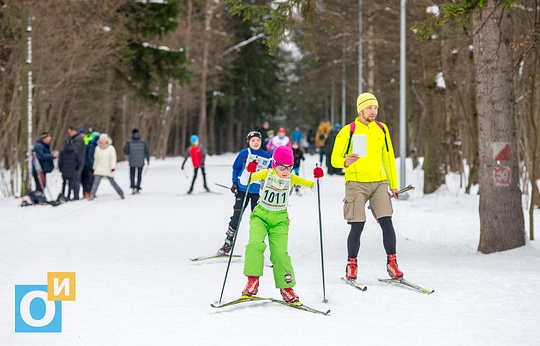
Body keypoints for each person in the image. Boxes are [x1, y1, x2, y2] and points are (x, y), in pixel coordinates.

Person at [330, 92, 403, 282]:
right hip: (356, 183)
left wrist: (394, 185)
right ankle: (351, 265)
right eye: (369, 107)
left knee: (387, 222)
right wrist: (345, 161)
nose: (373, 111)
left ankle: (392, 263)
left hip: (379, 182)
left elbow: (388, 158)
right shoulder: (349, 130)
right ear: (360, 109)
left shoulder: (382, 129)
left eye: (375, 107)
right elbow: (334, 159)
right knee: (357, 225)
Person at [239, 146, 324, 303]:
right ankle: (252, 281)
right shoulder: (266, 174)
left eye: (289, 167)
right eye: (282, 167)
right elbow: (245, 181)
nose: (285, 171)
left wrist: (318, 179)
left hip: (280, 221)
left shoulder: (291, 178)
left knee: (280, 254)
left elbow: (314, 188)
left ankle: (286, 288)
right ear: (274, 164)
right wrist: (248, 170)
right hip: (260, 216)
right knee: (255, 245)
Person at [217, 131, 272, 255]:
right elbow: (236, 168)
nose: (256, 142)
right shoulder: (244, 153)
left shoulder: (267, 156)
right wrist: (234, 183)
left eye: (258, 140)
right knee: (236, 216)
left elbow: (270, 173)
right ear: (249, 142)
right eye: (253, 140)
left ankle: (257, 247)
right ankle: (228, 243)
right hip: (242, 190)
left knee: (257, 220)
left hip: (257, 192)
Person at [88, 133, 124, 200]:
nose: (102, 141)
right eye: (101, 140)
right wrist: (94, 167)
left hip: (108, 168)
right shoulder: (97, 148)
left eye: (103, 140)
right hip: (99, 168)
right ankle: (91, 195)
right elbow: (96, 159)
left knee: (113, 182)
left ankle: (121, 193)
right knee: (95, 182)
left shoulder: (111, 148)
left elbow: (113, 158)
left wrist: (113, 167)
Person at [124, 128, 150, 194]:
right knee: (139, 174)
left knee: (132, 174)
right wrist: (148, 159)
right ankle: (138, 187)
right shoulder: (143, 141)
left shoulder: (129, 142)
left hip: (132, 160)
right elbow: (147, 151)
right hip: (140, 161)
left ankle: (133, 187)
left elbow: (126, 151)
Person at [64, 126, 86, 200]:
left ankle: (76, 195)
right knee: (73, 179)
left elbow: (75, 150)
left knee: (76, 178)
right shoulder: (73, 139)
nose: (69, 134)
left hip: (78, 162)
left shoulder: (78, 139)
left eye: (70, 132)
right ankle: (73, 194)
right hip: (74, 162)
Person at [58, 136, 79, 201]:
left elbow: (60, 162)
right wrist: (76, 167)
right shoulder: (75, 152)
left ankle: (63, 194)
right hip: (72, 170)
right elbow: (78, 161)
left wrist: (60, 169)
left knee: (64, 183)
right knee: (70, 183)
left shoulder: (62, 152)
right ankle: (69, 195)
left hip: (64, 169)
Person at [82, 131, 100, 199]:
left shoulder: (91, 144)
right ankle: (87, 192)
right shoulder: (91, 146)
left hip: (88, 165)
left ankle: (89, 192)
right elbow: (90, 156)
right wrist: (91, 165)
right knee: (89, 179)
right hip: (89, 165)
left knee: (89, 179)